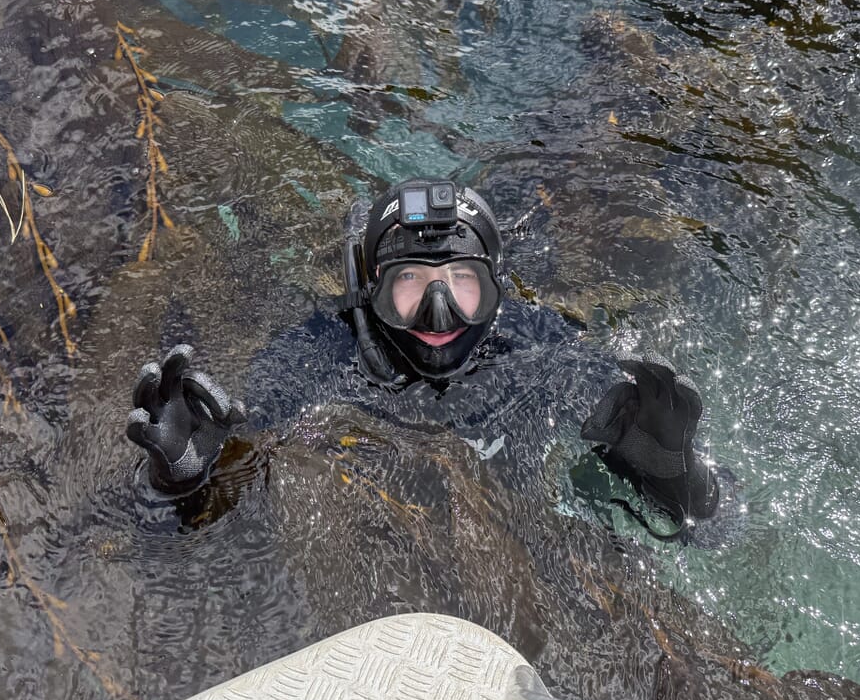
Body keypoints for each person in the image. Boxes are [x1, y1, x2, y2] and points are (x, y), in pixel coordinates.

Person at [125, 178, 721, 539]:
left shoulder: (537, 344)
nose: (440, 314)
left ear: (495, 291)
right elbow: (250, 444)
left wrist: (671, 470)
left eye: (462, 281)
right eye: (410, 281)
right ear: (370, 290)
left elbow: (717, 527)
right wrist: (186, 477)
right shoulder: (322, 349)